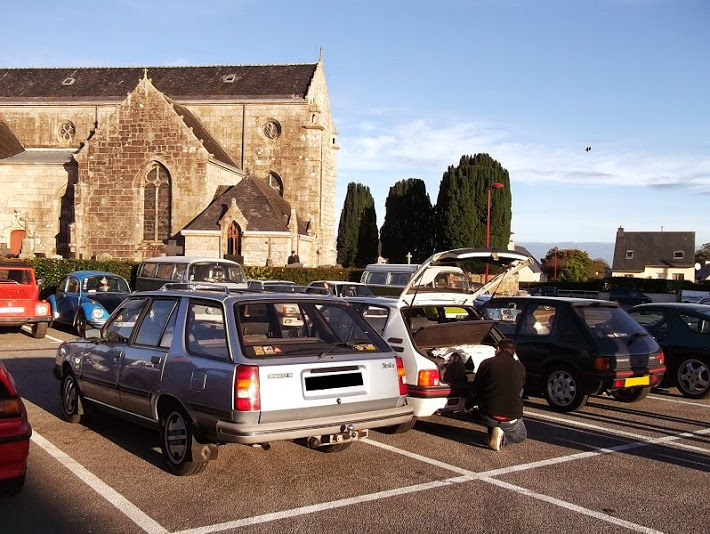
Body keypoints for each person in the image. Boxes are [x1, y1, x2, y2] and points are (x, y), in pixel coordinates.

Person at [470, 339, 527, 451]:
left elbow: (476, 387)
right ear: (513, 353)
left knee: (489, 404)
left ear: (497, 349)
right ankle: (503, 438)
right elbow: (520, 391)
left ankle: (494, 431)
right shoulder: (521, 367)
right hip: (510, 416)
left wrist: (469, 403)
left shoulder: (487, 363)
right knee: (521, 435)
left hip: (489, 414)